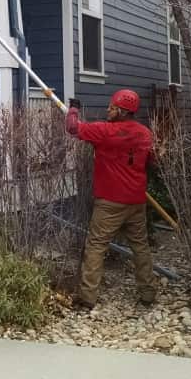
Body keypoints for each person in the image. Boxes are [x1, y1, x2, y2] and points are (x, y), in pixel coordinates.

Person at [65, 89, 156, 309]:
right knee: (140, 247)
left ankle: (87, 298)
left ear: (123, 111)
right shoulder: (145, 133)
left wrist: (73, 108)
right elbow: (150, 161)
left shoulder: (105, 131)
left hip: (110, 203)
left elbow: (73, 128)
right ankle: (148, 294)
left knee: (96, 245)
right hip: (136, 201)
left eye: (112, 107)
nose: (108, 110)